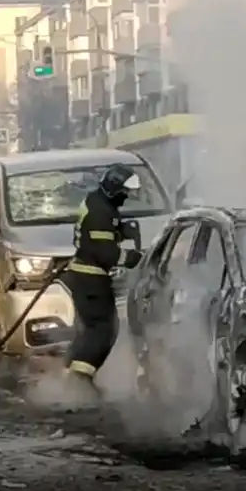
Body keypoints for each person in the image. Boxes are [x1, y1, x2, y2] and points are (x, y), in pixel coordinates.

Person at [61, 164, 143, 393]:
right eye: (125, 192)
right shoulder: (100, 211)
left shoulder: (99, 204)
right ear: (114, 187)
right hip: (91, 279)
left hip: (86, 276)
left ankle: (69, 374)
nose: (126, 197)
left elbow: (98, 235)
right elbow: (105, 252)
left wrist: (121, 230)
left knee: (89, 330)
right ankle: (80, 381)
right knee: (103, 330)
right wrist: (133, 257)